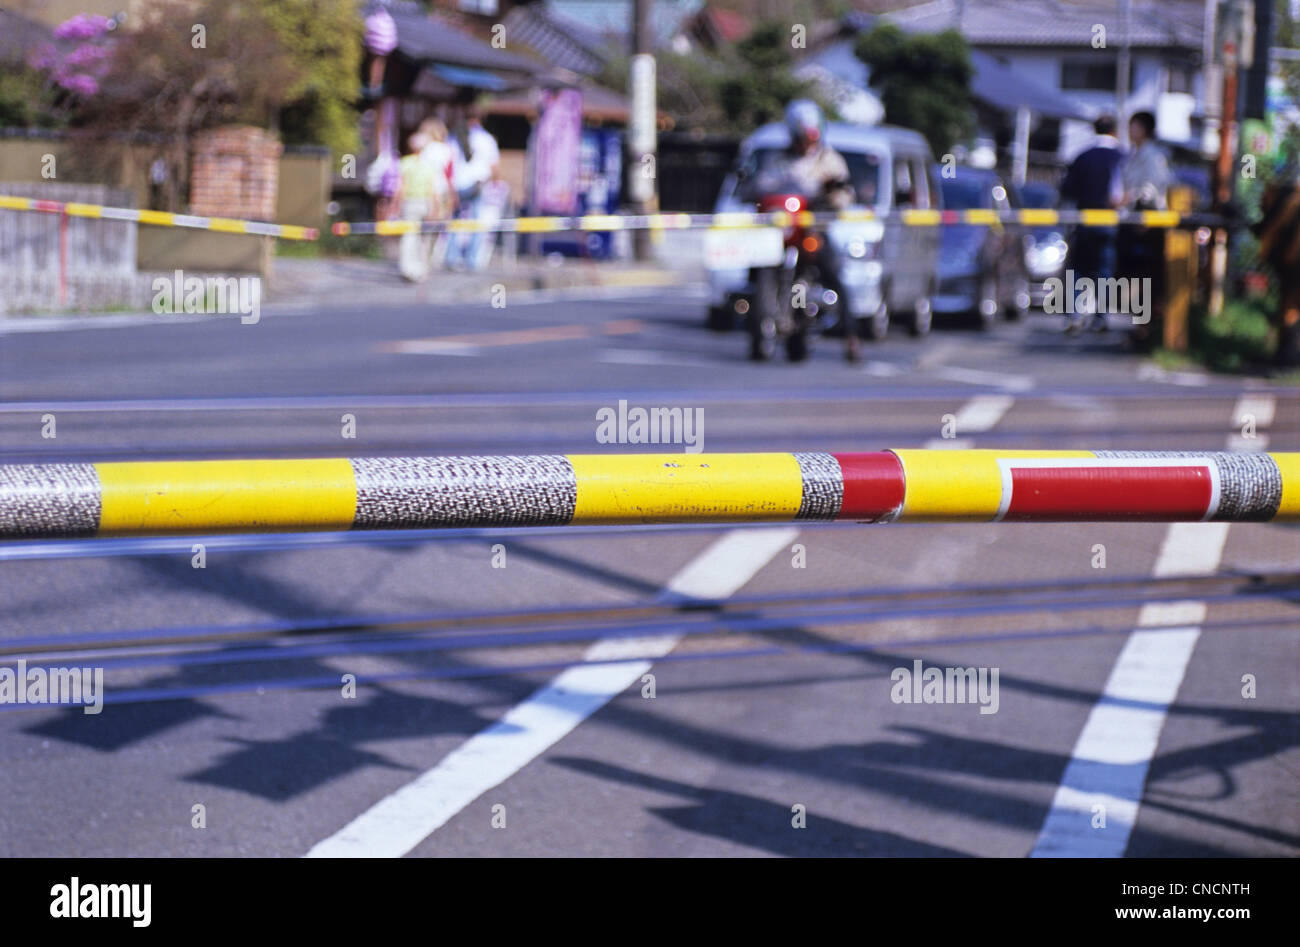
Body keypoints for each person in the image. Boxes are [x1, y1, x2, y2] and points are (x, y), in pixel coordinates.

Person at [780, 99, 861, 362]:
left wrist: (831, 193)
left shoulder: (831, 160)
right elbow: (764, 184)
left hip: (816, 231)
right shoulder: (781, 159)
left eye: (812, 138)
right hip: (785, 232)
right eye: (804, 138)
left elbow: (846, 195)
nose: (808, 143)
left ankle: (852, 338)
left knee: (836, 276)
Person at [1059, 114, 1125, 333]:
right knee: (1104, 270)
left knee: (1078, 268)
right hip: (1110, 221)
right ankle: (1100, 317)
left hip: (1083, 219)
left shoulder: (1083, 157)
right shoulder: (1122, 157)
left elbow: (1067, 189)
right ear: (1115, 131)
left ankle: (1075, 315)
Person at [1116, 110, 1170, 345]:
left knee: (1147, 277)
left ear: (1145, 129)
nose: (1130, 131)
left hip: (1148, 223)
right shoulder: (1134, 155)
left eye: (1134, 126)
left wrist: (1133, 199)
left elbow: (1153, 188)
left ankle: (1147, 329)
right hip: (1133, 222)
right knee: (1134, 277)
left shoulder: (1153, 156)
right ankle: (1141, 326)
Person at [445, 104, 501, 271]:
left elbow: (448, 163)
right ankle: (473, 260)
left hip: (457, 184)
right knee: (477, 222)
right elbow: (494, 166)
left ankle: (452, 258)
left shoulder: (454, 137)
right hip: (478, 184)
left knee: (455, 222)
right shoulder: (487, 139)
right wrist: (494, 182)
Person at [393, 131, 439, 282]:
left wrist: (395, 204)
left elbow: (401, 187)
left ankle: (407, 268)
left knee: (409, 236)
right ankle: (421, 269)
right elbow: (433, 190)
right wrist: (435, 208)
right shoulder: (429, 165)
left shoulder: (405, 163)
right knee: (423, 238)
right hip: (425, 203)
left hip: (410, 203)